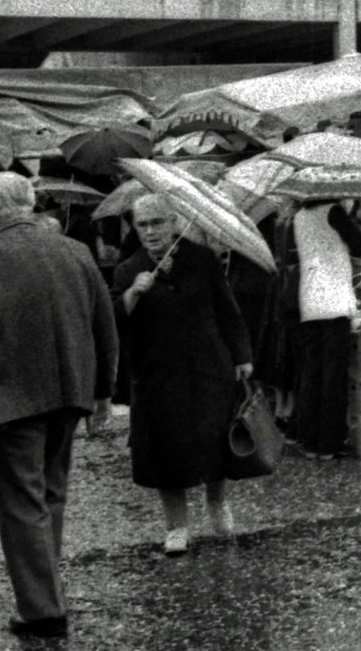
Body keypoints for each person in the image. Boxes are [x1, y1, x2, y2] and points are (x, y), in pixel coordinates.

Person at [0, 171, 117, 641]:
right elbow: (104, 325)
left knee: (22, 503)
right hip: (69, 392)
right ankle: (48, 593)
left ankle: (43, 609)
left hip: (10, 399)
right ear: (31, 202)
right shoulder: (75, 251)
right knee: (51, 494)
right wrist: (102, 393)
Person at [113, 194, 255, 554]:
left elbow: (227, 308)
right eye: (142, 224)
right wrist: (132, 294)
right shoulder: (128, 268)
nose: (150, 231)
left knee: (215, 437)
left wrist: (242, 355)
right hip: (158, 373)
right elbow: (113, 321)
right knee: (165, 449)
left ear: (174, 222)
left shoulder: (203, 259)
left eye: (157, 222)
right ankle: (176, 525)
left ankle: (217, 502)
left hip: (208, 364)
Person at [266, 198, 361, 456]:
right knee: (333, 374)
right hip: (334, 300)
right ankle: (329, 443)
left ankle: (309, 440)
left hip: (309, 299)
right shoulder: (333, 211)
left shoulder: (300, 215)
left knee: (311, 371)